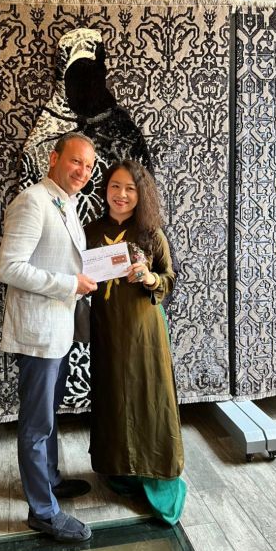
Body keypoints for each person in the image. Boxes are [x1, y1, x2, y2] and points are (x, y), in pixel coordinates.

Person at [0, 132, 98, 543]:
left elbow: (65, 260)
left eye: (89, 166)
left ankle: (50, 480)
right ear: (54, 158)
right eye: (76, 161)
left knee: (49, 415)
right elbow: (8, 268)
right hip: (37, 332)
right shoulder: (33, 201)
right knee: (36, 424)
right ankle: (42, 511)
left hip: (59, 330)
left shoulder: (66, 202)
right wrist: (69, 284)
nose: (82, 171)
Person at [84, 160, 186, 525]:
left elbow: (169, 277)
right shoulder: (90, 231)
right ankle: (120, 469)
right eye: (115, 186)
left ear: (141, 194)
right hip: (106, 329)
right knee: (113, 396)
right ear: (105, 189)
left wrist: (150, 278)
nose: (122, 194)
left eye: (130, 188)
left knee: (149, 398)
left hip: (145, 333)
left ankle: (158, 475)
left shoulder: (150, 234)